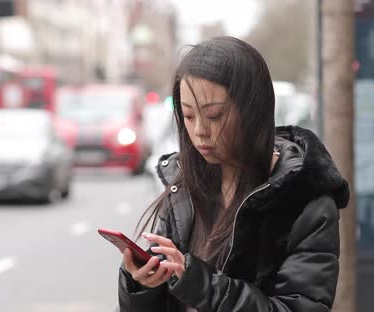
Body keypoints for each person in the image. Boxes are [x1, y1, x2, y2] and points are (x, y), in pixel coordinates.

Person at [117, 36, 350, 311]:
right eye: (189, 116)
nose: (200, 131)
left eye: (214, 115)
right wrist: (141, 284)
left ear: (252, 111)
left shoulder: (305, 200)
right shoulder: (184, 186)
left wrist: (199, 283)